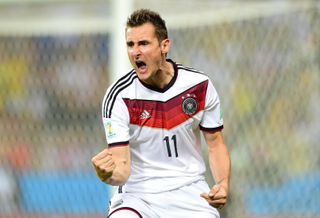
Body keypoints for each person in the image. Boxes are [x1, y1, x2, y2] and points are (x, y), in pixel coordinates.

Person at [91, 9, 231, 218]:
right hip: (138, 196)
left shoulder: (199, 86)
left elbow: (215, 144)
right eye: (131, 44)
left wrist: (223, 184)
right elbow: (122, 168)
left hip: (190, 191)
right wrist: (107, 174)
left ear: (164, 45)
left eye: (144, 43)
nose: (135, 52)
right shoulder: (119, 97)